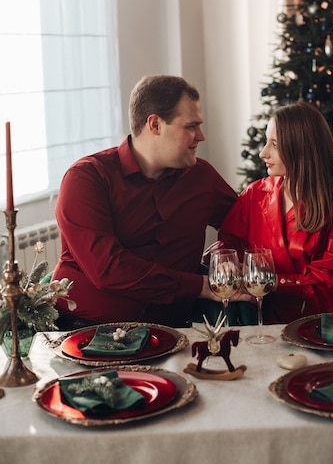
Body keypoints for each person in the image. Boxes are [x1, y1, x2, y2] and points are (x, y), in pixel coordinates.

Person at [53, 75, 242, 328]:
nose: (201, 136)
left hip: (171, 333)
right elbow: (108, 270)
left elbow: (245, 224)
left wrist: (225, 251)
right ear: (155, 125)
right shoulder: (86, 178)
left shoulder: (201, 177)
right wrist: (201, 286)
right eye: (190, 126)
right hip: (83, 328)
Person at [217, 100, 333, 324]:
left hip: (322, 326)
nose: (263, 153)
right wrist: (226, 262)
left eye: (275, 144)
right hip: (262, 323)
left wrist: (272, 282)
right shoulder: (255, 194)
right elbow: (229, 245)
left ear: (302, 149)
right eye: (265, 142)